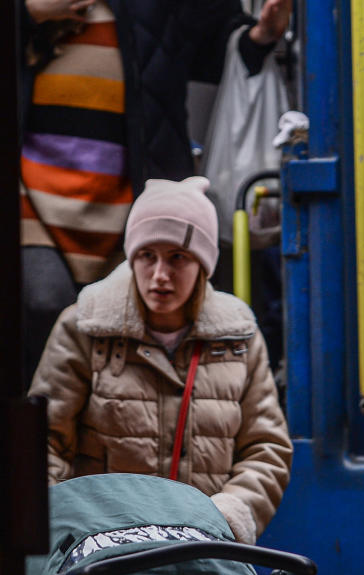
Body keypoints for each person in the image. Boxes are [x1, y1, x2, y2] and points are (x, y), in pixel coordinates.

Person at [19, 0, 293, 386]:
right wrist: (28, 12)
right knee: (43, 301)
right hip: (31, 191)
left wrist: (260, 35)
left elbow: (213, 45)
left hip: (133, 191)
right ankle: (44, 434)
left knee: (135, 331)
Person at [29, 177, 293, 545]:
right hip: (100, 554)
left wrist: (226, 516)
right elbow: (44, 439)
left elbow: (266, 448)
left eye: (178, 257)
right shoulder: (85, 328)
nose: (159, 275)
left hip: (204, 550)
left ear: (203, 264)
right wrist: (69, 526)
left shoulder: (238, 337)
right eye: (147, 255)